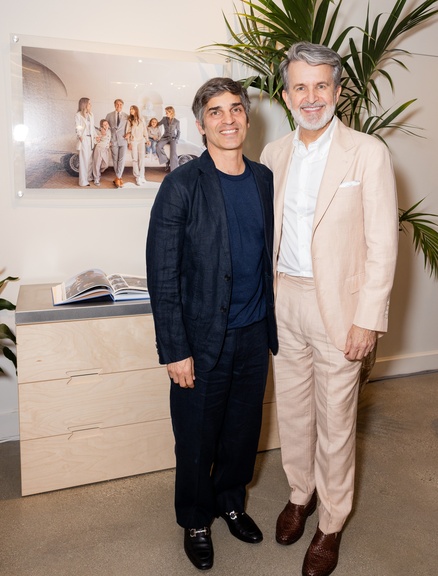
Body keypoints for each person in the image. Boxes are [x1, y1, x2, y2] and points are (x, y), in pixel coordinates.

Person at [260, 41, 399, 576]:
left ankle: (332, 521)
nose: (311, 96)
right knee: (293, 411)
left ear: (338, 92)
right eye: (300, 86)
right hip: (284, 301)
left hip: (339, 308)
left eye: (322, 85)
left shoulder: (367, 152)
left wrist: (368, 318)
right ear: (286, 94)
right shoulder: (273, 154)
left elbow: (382, 244)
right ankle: (301, 493)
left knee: (336, 419)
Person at [146, 77, 278, 571]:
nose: (228, 119)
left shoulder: (264, 179)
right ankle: (196, 518)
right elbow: (163, 274)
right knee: (197, 437)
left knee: (242, 433)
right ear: (201, 125)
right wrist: (175, 349)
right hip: (201, 341)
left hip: (254, 333)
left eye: (236, 109)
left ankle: (230, 502)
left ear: (247, 117)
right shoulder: (181, 185)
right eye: (216, 112)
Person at [105, 99, 128, 188]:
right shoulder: (109, 115)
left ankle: (118, 177)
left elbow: (129, 128)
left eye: (120, 104)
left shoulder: (127, 116)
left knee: (122, 159)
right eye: (117, 104)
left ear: (123, 105)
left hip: (123, 140)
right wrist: (108, 140)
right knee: (115, 159)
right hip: (113, 140)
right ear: (114, 105)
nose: (119, 106)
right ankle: (119, 178)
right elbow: (106, 128)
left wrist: (129, 134)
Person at [125, 105, 149, 186]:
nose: (131, 110)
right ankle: (137, 177)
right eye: (130, 109)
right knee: (135, 159)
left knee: (142, 159)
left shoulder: (142, 119)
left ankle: (142, 176)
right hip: (133, 141)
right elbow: (127, 131)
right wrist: (129, 142)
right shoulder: (129, 120)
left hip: (141, 140)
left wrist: (147, 139)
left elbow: (145, 130)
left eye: (132, 109)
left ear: (136, 110)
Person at [74, 97, 96, 187]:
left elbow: (92, 128)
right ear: (84, 104)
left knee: (90, 160)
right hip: (84, 139)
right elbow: (78, 127)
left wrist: (96, 136)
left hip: (90, 139)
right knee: (84, 160)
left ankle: (88, 177)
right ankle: (83, 181)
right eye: (89, 103)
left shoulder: (91, 114)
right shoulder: (78, 115)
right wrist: (80, 136)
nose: (91, 105)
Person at [156, 105, 180, 172]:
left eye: (167, 112)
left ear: (171, 112)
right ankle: (166, 161)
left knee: (173, 153)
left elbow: (178, 131)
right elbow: (157, 124)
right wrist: (151, 123)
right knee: (158, 146)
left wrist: (177, 139)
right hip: (165, 137)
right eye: (166, 112)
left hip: (173, 138)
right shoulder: (164, 119)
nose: (166, 113)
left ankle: (174, 170)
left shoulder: (177, 121)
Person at [92, 119, 111, 186]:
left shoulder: (109, 131)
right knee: (97, 164)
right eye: (104, 125)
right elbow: (96, 140)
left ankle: (97, 173)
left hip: (105, 149)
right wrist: (101, 135)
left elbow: (108, 139)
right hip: (99, 149)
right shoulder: (100, 131)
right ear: (102, 126)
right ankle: (96, 179)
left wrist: (109, 143)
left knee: (106, 164)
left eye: (107, 124)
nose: (106, 126)